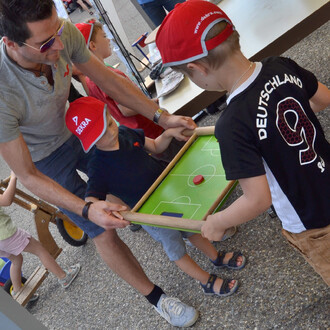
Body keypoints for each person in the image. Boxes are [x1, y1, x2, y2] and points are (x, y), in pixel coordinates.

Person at [0, 0, 198, 327]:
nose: (60, 45)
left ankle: (185, 231)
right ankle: (157, 298)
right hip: (44, 156)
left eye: (57, 31)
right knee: (100, 228)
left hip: (81, 125)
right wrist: (86, 209)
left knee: (128, 177)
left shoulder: (57, 33)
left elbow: (108, 79)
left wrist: (161, 117)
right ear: (11, 44)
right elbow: (27, 174)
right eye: (46, 43)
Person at [155, 0, 330, 286]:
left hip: (311, 223)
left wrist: (217, 222)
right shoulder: (280, 64)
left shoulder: (232, 125)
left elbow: (257, 200)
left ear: (197, 68)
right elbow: (322, 99)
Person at [65, 96, 246, 298]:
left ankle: (215, 256)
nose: (109, 134)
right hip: (149, 212)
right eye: (99, 136)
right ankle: (206, 280)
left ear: (109, 115)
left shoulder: (124, 131)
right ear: (89, 142)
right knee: (176, 251)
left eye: (108, 124)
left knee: (192, 229)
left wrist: (168, 134)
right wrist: (94, 207)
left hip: (167, 192)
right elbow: (91, 198)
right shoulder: (97, 167)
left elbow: (156, 146)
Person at [74, 20, 184, 161]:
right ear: (93, 45)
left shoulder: (90, 80)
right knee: (182, 154)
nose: (109, 39)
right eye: (104, 36)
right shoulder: (108, 76)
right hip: (152, 130)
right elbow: (126, 109)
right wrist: (151, 103)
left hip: (140, 132)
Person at [0, 172, 80, 302]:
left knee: (16, 259)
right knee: (40, 250)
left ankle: (17, 290)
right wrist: (14, 177)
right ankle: (64, 277)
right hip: (5, 234)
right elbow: (6, 200)